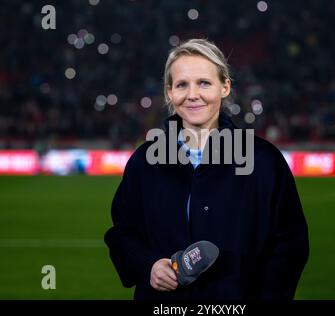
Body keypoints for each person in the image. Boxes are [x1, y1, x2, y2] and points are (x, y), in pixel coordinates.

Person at [104, 39, 309, 300]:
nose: (192, 95)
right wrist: (149, 265)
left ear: (224, 87)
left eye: (204, 83)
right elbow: (123, 234)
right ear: (169, 92)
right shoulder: (145, 161)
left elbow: (290, 245)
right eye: (181, 85)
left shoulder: (264, 161)